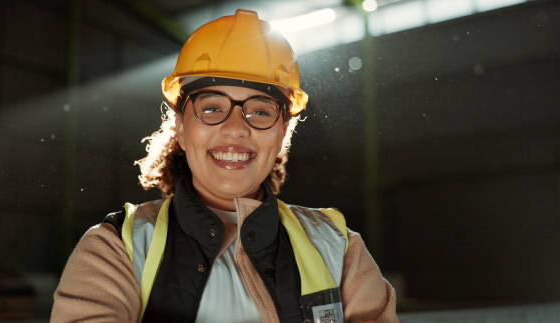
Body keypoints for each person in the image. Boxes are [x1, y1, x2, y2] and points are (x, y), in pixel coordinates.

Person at [51, 9, 398, 323]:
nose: (235, 128)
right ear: (182, 129)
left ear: (281, 135)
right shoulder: (115, 249)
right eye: (212, 108)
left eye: (260, 110)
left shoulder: (340, 249)